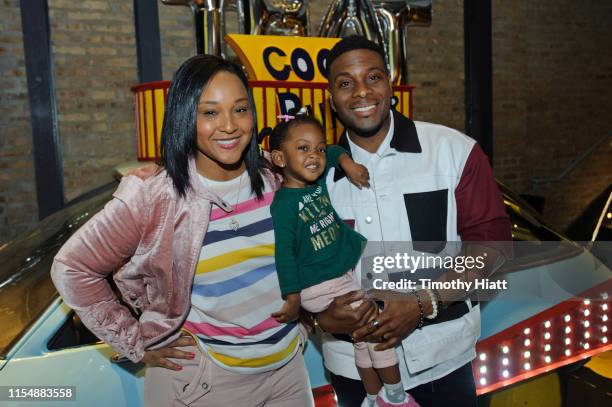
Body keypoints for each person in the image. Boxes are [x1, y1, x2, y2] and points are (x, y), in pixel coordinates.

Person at [51, 55, 313, 407]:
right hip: (205, 383)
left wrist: (307, 319)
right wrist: (135, 340)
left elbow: (318, 250)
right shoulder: (155, 195)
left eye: (240, 109)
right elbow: (72, 267)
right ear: (185, 116)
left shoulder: (276, 180)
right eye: (209, 112)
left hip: (288, 374)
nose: (229, 126)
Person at [316, 36, 512, 406]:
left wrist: (424, 302)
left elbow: (493, 245)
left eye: (373, 77)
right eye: (345, 83)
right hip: (354, 374)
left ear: (390, 83)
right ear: (331, 98)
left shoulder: (453, 151)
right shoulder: (313, 178)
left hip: (444, 364)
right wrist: (322, 318)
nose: (361, 92)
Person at [264, 113, 419, 407]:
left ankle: (372, 398)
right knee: (376, 328)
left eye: (318, 149)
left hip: (339, 275)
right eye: (303, 148)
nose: (316, 155)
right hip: (317, 285)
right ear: (279, 158)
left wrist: (348, 165)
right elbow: (283, 253)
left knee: (361, 337)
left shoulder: (317, 180)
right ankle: (397, 397)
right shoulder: (283, 206)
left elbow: (335, 151)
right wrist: (293, 298)